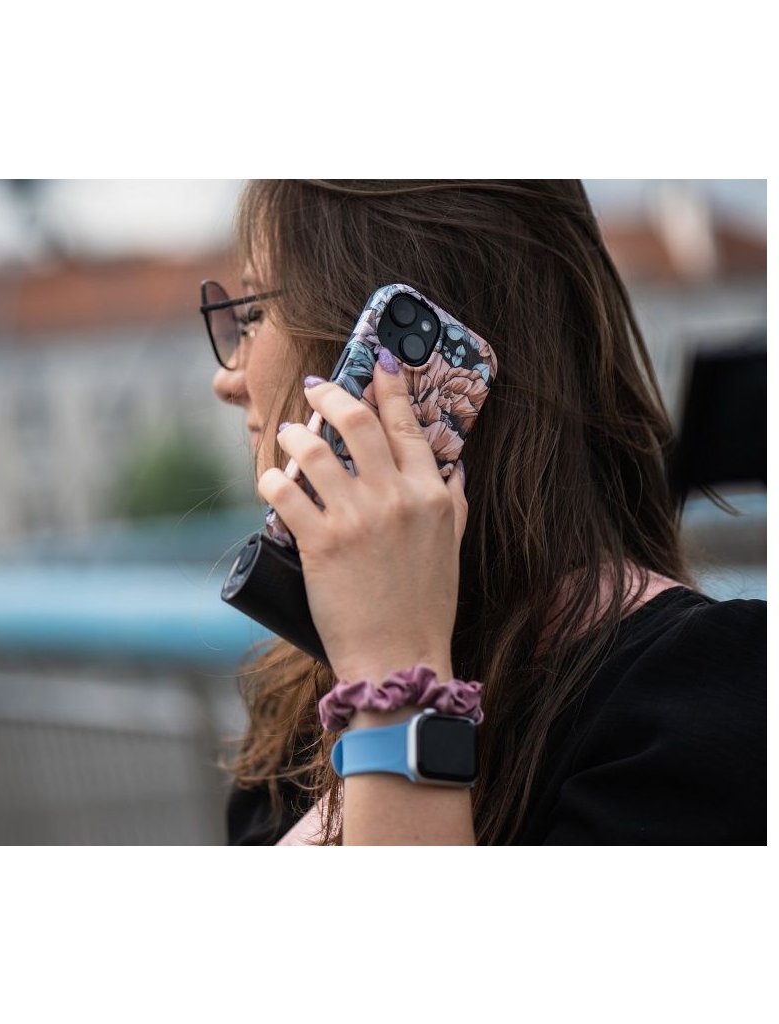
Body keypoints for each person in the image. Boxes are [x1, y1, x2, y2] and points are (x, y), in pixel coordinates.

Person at [206, 179, 765, 846]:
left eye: (253, 314)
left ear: (386, 356)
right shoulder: (302, 698)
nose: (228, 378)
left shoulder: (707, 701)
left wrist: (398, 681)